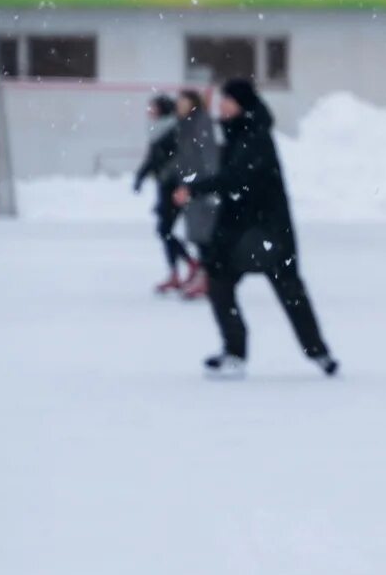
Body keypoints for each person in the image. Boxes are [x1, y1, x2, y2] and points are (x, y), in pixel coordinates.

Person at [175, 79, 334, 378]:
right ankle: (236, 353)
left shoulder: (254, 136)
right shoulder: (238, 132)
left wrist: (195, 188)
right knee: (221, 283)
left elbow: (236, 179)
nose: (221, 106)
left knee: (287, 289)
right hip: (243, 228)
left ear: (242, 105)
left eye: (228, 101)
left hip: (263, 230)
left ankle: (318, 353)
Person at [130, 93, 193, 293]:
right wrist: (140, 176)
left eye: (153, 108)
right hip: (164, 187)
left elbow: (180, 159)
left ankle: (192, 265)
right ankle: (176, 272)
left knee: (165, 229)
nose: (149, 112)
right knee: (164, 230)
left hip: (175, 187)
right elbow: (152, 158)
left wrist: (169, 175)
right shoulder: (157, 130)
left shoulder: (175, 129)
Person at [163, 87, 220, 301]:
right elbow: (183, 157)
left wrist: (212, 184)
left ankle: (208, 277)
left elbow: (209, 154)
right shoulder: (184, 125)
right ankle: (204, 275)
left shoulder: (201, 122)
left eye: (183, 102)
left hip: (201, 187)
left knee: (203, 234)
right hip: (189, 186)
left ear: (193, 103)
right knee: (196, 234)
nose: (179, 105)